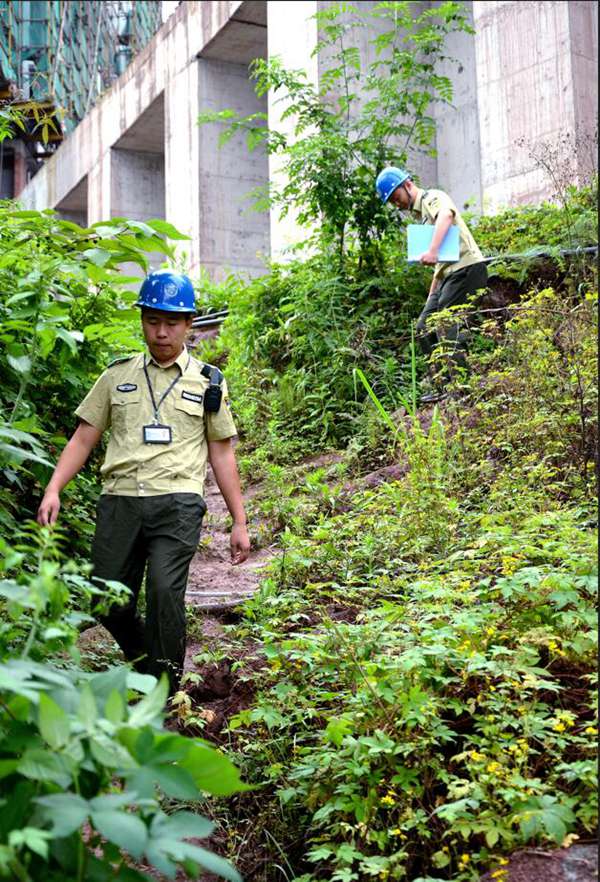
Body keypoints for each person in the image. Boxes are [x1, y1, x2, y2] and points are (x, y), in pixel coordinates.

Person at [37, 270, 250, 693]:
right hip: (121, 501)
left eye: (172, 323)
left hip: (178, 502)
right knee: (104, 597)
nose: (161, 332)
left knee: (164, 594)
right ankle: (148, 667)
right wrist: (53, 487)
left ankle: (166, 692)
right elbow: (84, 437)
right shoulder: (116, 376)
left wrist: (239, 521)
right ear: (142, 321)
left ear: (189, 324)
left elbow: (222, 452)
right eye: (153, 321)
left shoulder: (208, 382)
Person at [376, 166, 488, 403]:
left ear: (407, 185)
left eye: (396, 198)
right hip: (450, 275)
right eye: (393, 202)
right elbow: (440, 268)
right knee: (424, 328)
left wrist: (433, 250)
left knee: (446, 323)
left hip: (467, 268)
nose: (397, 204)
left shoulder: (432, 198)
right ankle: (444, 387)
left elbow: (446, 215)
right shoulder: (423, 219)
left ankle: (463, 389)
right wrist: (431, 299)